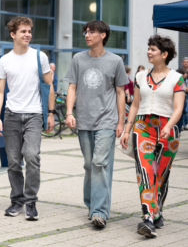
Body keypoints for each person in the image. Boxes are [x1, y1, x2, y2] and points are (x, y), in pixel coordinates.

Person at [65, 20, 128, 228]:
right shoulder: (78, 59)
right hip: (84, 120)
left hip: (107, 121)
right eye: (86, 31)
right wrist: (69, 112)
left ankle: (99, 212)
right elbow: (72, 88)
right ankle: (92, 205)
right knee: (90, 165)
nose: (87, 35)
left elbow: (120, 92)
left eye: (92, 31)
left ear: (103, 35)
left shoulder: (115, 61)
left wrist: (121, 122)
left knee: (100, 163)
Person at [121, 35, 185, 238]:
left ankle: (157, 211)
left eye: (153, 50)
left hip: (168, 130)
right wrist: (126, 129)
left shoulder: (177, 78)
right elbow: (136, 105)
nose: (149, 52)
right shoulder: (141, 77)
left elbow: (178, 108)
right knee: (146, 171)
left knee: (161, 174)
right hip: (143, 127)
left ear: (165, 54)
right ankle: (148, 216)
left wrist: (169, 125)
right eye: (148, 49)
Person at [0, 16, 55, 221]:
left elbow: (49, 86)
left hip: (34, 114)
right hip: (11, 115)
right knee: (13, 162)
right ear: (13, 34)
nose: (28, 34)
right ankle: (17, 200)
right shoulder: (4, 60)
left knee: (31, 156)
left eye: (29, 31)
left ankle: (31, 201)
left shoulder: (40, 57)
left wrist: (52, 113)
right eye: (23, 31)